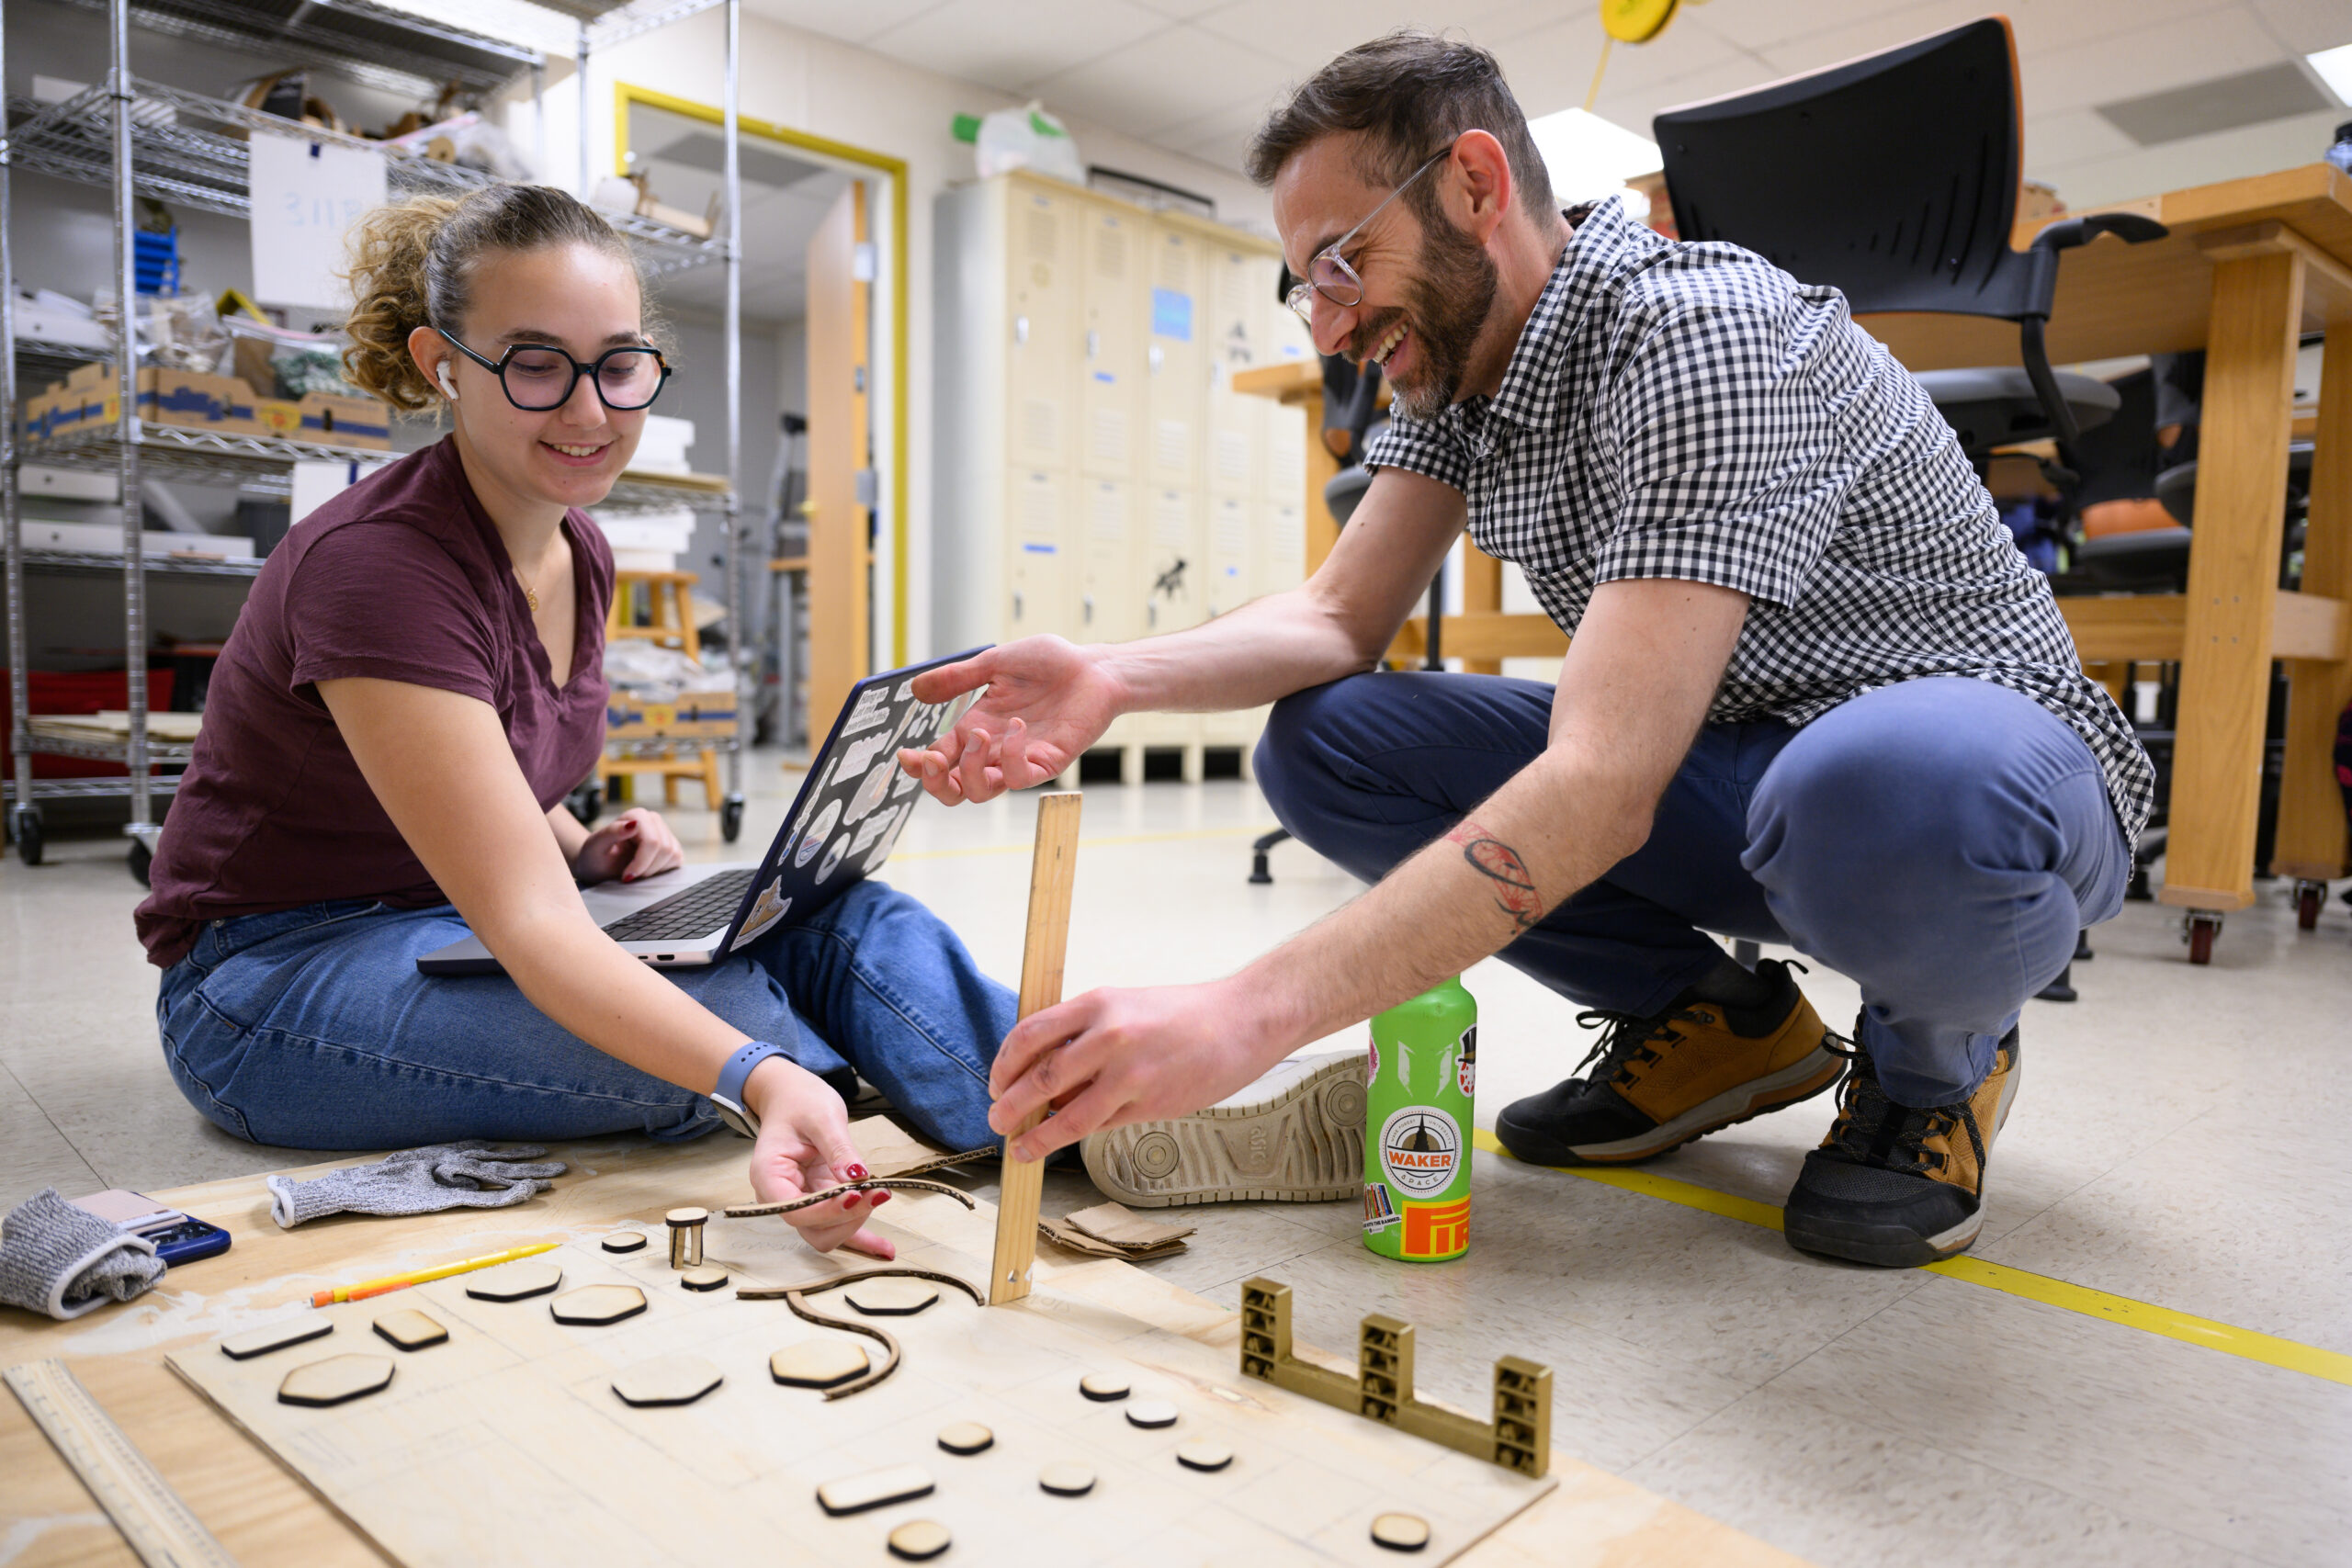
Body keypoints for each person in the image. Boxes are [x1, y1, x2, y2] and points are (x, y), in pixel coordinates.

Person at [899, 32, 2153, 1269]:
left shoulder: (1696, 330)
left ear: (1476, 185)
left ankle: (1938, 1062)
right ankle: (1714, 1023)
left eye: (1342, 262)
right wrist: (1116, 674)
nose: (1330, 327)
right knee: (1334, 738)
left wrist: (1246, 1011)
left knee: (1881, 784)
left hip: (1976, 782)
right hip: (1751, 770)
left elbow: (1604, 785)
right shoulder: (1461, 370)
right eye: (1307, 286)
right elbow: (1338, 617)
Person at [136, 185, 1013, 1259]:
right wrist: (749, 1072)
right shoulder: (377, 568)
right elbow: (534, 925)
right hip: (270, 980)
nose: (592, 412)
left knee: (848, 915)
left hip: (443, 923)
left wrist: (583, 844)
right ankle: (829, 1085)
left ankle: (1064, 1109)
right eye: (535, 364)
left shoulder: (578, 546)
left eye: (619, 363)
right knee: (735, 1011)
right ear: (440, 361)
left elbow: (494, 778)